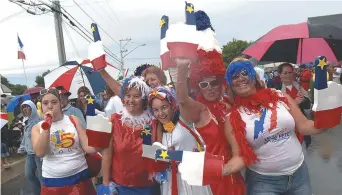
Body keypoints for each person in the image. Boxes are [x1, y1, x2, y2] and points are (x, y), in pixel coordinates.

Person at [222, 58, 327, 195]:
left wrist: (326, 122)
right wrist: (223, 169)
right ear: (230, 84)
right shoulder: (232, 118)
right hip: (263, 184)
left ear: (254, 77)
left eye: (244, 72)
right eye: (234, 76)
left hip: (299, 176)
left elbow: (304, 126)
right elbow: (239, 156)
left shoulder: (279, 96)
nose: (240, 78)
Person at [174, 51, 245, 194]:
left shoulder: (229, 103)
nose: (210, 87)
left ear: (221, 83)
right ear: (198, 86)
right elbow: (182, 99)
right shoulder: (199, 110)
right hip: (213, 176)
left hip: (235, 171)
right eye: (204, 84)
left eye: (214, 82)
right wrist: (181, 69)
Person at [99, 76, 160, 195]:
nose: (131, 100)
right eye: (128, 95)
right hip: (120, 188)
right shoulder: (114, 120)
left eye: (136, 96)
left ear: (144, 100)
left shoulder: (155, 123)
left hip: (149, 188)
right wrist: (106, 184)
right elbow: (107, 155)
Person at [31, 88, 98, 195]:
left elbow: (88, 147)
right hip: (53, 182)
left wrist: (101, 140)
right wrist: (46, 129)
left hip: (80, 177)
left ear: (60, 103)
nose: (50, 106)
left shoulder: (73, 120)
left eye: (54, 102)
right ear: (41, 107)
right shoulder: (36, 128)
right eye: (45, 103)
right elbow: (40, 153)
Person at [148, 87, 212, 195]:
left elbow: (183, 97)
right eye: (156, 110)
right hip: (171, 181)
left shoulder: (183, 118)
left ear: (172, 106)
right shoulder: (152, 128)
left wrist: (168, 155)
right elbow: (148, 153)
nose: (161, 113)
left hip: (193, 178)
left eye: (164, 107)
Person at [277, 63, 311, 146]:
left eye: (290, 72)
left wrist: (303, 100)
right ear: (280, 75)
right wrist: (294, 103)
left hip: (302, 125)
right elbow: (276, 111)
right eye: (285, 73)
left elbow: (308, 105)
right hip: (287, 129)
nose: (288, 75)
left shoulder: (299, 87)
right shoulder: (276, 90)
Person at [17, 100, 42, 195]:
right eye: (24, 107)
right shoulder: (27, 122)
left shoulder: (40, 121)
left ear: (33, 108)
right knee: (29, 175)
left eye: (28, 107)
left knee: (42, 177)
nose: (25, 109)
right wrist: (22, 148)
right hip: (30, 154)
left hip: (39, 154)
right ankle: (37, 192)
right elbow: (25, 137)